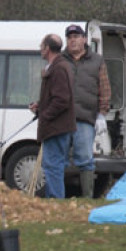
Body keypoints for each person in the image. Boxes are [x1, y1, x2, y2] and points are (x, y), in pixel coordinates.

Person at [63, 24, 111, 198]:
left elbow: (104, 88)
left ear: (84, 39)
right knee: (58, 160)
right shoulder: (60, 60)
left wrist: (101, 114)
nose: (73, 40)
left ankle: (87, 199)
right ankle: (57, 199)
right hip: (61, 119)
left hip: (85, 119)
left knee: (85, 159)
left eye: (76, 36)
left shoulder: (97, 61)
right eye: (70, 37)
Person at [30, 34, 75, 199]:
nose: (40, 49)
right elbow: (57, 97)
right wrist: (40, 106)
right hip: (58, 126)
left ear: (47, 48)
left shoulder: (59, 68)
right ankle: (56, 199)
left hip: (56, 128)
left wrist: (45, 115)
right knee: (54, 166)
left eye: (41, 46)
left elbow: (62, 100)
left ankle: (55, 200)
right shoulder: (58, 66)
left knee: (52, 166)